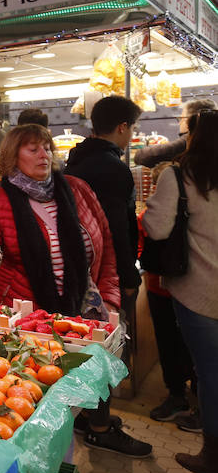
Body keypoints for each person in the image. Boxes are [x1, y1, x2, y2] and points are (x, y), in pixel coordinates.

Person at [0, 124, 151, 458]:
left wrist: (111, 297)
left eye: (46, 148)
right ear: (13, 157)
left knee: (94, 370)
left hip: (85, 305)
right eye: (33, 149)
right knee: (41, 383)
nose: (44, 155)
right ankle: (47, 449)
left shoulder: (77, 190)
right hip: (30, 318)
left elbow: (107, 246)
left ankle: (98, 426)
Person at [144, 109, 218, 473]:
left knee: (210, 373)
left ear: (195, 139)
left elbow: (157, 229)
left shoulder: (179, 176)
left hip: (199, 291)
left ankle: (212, 454)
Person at [66, 96, 143, 315]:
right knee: (114, 334)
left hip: (80, 266)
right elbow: (117, 229)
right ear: (122, 127)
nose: (131, 135)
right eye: (132, 128)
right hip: (109, 273)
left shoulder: (75, 160)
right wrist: (128, 276)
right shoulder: (114, 168)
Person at [140, 161, 198, 429]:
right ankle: (184, 397)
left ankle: (184, 398)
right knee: (180, 345)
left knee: (182, 345)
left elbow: (152, 231)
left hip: (173, 284)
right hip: (166, 284)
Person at [134, 99, 216, 167]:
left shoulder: (189, 140)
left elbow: (143, 156)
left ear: (189, 120)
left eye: (181, 118)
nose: (179, 123)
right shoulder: (212, 139)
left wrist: (138, 153)